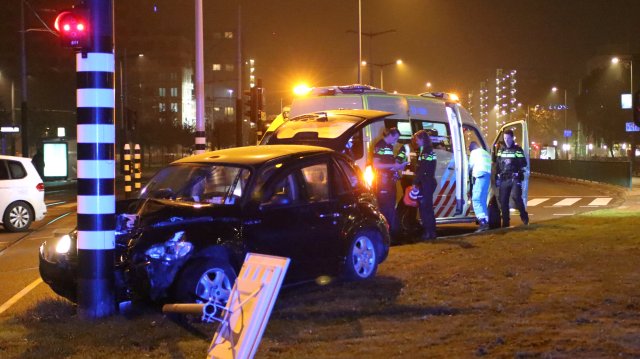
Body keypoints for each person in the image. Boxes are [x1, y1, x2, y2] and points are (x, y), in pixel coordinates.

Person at [373, 127, 406, 233]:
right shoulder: (380, 145)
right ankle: (387, 233)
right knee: (386, 207)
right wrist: (393, 165)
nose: (396, 140)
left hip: (389, 181)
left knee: (390, 206)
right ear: (390, 135)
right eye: (395, 138)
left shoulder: (388, 146)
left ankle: (391, 232)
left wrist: (397, 167)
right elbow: (376, 165)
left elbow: (387, 163)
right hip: (383, 181)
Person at [496, 129, 529, 227]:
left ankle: (524, 218)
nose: (506, 140)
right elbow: (498, 164)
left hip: (514, 178)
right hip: (504, 178)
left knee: (516, 197)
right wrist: (497, 176)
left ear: (512, 138)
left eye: (508, 138)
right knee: (503, 201)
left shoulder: (517, 150)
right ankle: (505, 224)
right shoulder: (500, 150)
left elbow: (523, 163)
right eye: (505, 138)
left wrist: (512, 163)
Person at [412, 130, 438, 240]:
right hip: (429, 181)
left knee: (424, 208)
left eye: (417, 139)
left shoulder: (426, 152)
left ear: (422, 139)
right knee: (428, 208)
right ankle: (431, 232)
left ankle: (428, 232)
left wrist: (415, 182)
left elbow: (423, 169)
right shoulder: (428, 151)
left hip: (425, 182)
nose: (416, 141)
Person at [468, 141, 492, 232]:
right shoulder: (486, 153)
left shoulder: (474, 153)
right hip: (486, 178)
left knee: (476, 199)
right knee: (482, 200)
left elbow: (470, 166)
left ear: (472, 148)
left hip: (479, 176)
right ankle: (486, 222)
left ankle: (482, 222)